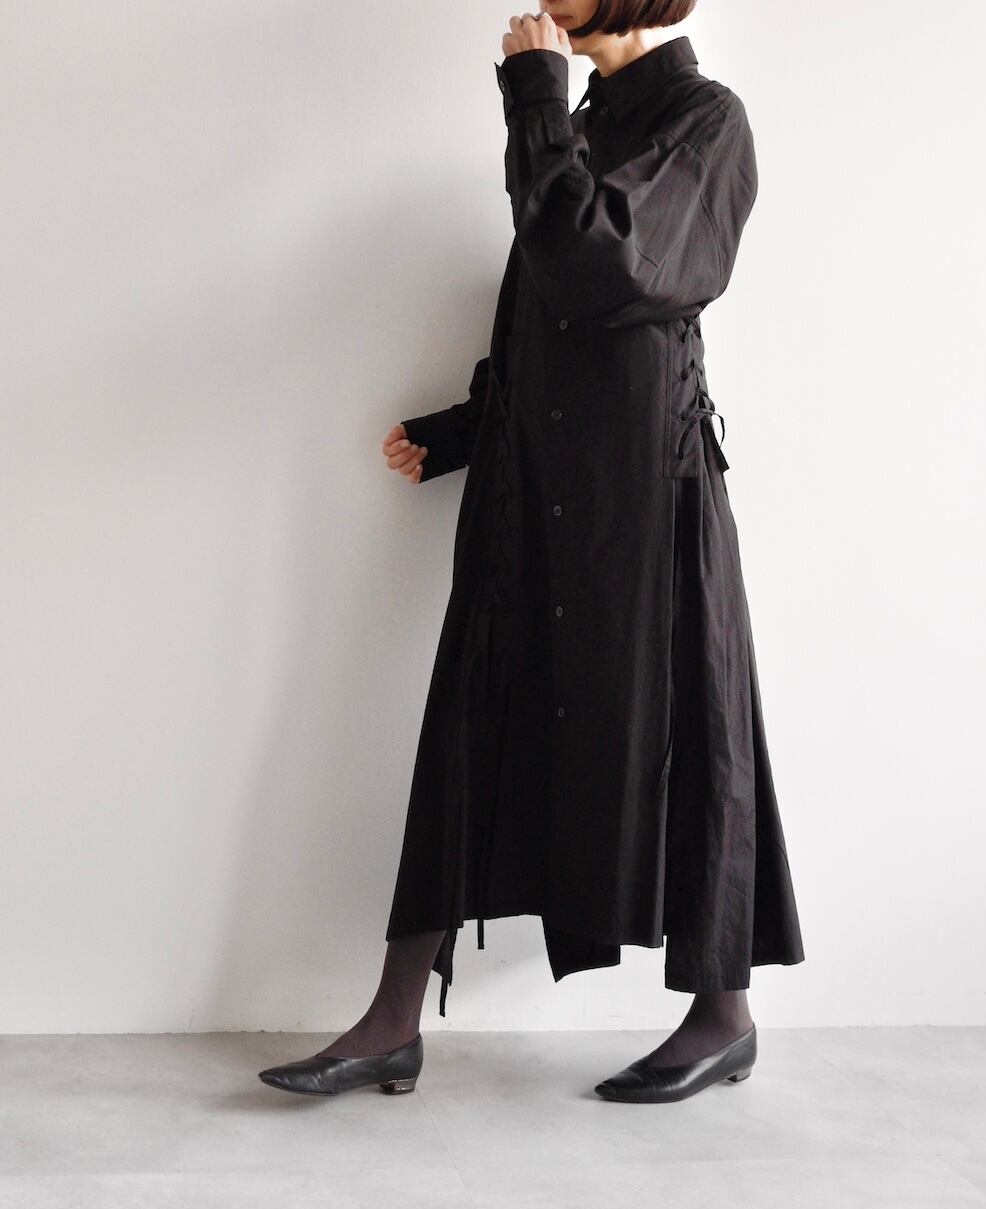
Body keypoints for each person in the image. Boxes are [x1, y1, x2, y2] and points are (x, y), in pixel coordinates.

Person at [258, 1, 804, 1105]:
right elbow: (542, 305)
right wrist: (467, 429)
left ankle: (723, 1017)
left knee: (690, 733)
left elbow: (605, 272)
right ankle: (392, 1020)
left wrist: (536, 100)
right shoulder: (583, 118)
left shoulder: (706, 121)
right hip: (533, 485)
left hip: (645, 494)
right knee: (471, 718)